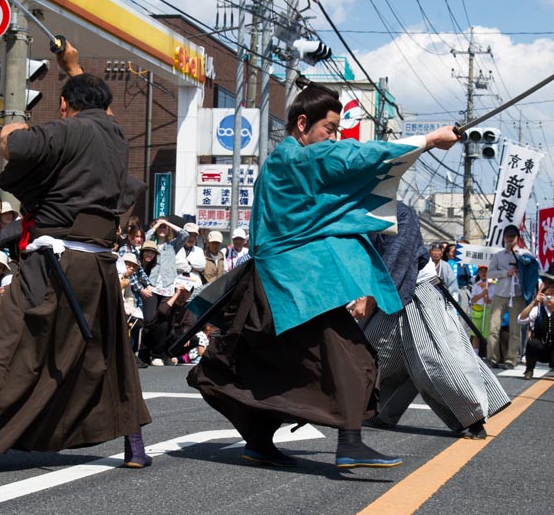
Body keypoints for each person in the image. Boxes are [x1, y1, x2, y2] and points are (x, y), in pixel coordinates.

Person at [0, 41, 151, 477]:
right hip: (98, 265)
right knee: (108, 352)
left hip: (53, 262)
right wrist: (74, 66)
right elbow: (102, 111)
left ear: (63, 105)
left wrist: (12, 121)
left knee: (0, 346)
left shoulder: (64, 130)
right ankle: (135, 445)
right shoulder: (116, 136)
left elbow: (14, 147)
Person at [188, 83, 459, 469]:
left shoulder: (285, 161)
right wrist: (429, 139)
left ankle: (260, 441)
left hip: (281, 286)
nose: (334, 137)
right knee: (351, 356)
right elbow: (355, 157)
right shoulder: (298, 160)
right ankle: (349, 441)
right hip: (293, 287)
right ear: (303, 123)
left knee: (273, 366)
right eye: (330, 128)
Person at [359, 203, 510, 440]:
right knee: (372, 351)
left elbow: (397, 260)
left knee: (434, 358)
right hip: (387, 294)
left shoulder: (401, 212)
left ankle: (473, 415)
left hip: (417, 292)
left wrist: (370, 298)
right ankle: (380, 411)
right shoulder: (360, 211)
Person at [487, 225, 530, 369]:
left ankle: (511, 359)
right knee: (493, 327)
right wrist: (506, 273)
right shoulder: (498, 256)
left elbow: (533, 272)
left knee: (515, 329)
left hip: (517, 295)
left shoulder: (525, 254)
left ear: (518, 238)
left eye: (513, 237)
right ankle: (492, 357)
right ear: (504, 238)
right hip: (500, 294)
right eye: (507, 237)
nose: (510, 239)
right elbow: (490, 273)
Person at [517, 283, 554, 381]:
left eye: (552, 295)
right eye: (547, 295)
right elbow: (521, 319)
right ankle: (529, 370)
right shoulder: (537, 310)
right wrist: (534, 302)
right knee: (532, 343)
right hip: (541, 345)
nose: (549, 298)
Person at [175, 222, 206, 288]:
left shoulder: (199, 250)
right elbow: (176, 264)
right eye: (189, 235)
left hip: (195, 285)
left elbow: (202, 265)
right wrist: (192, 268)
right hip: (177, 285)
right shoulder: (176, 248)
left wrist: (188, 262)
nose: (191, 238)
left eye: (194, 236)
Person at [469, 265, 492, 352]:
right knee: (475, 333)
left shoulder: (493, 285)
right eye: (481, 271)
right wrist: (482, 294)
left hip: (488, 310)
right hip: (478, 310)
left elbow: (494, 300)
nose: (483, 273)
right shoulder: (476, 285)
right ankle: (476, 354)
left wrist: (488, 300)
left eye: (485, 271)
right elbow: (472, 299)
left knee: (488, 333)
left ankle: (486, 353)